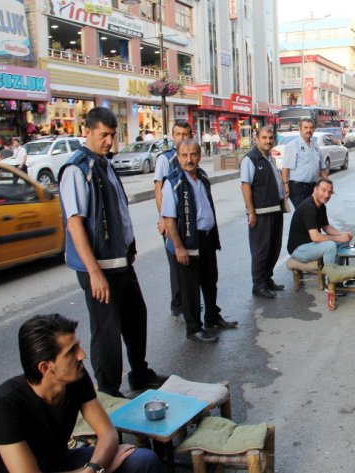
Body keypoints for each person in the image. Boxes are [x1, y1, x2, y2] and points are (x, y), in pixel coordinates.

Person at [58, 107, 165, 397]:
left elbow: (117, 212)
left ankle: (139, 374)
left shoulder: (104, 164)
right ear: (87, 132)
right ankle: (108, 392)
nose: (109, 141)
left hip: (120, 263)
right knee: (107, 331)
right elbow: (75, 224)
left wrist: (129, 250)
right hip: (99, 268)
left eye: (113, 135)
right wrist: (94, 273)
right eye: (103, 135)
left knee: (135, 317)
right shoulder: (77, 169)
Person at [0, 314, 163, 473]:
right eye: (71, 352)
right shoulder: (4, 406)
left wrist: (95, 467)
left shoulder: (76, 378)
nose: (82, 355)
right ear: (46, 367)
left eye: (78, 346)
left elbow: (108, 433)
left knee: (143, 461)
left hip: (60, 463)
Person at [162, 139, 237, 343]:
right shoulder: (173, 182)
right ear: (178, 157)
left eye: (193, 154)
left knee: (210, 281)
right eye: (184, 155)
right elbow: (169, 219)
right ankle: (194, 328)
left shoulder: (202, 177)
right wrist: (178, 247)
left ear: (200, 155)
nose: (189, 159)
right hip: (188, 242)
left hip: (207, 239)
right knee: (190, 288)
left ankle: (212, 317)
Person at [153, 120, 194, 323]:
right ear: (172, 136)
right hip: (171, 219)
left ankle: (190, 301)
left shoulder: (191, 155)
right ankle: (178, 305)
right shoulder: (166, 159)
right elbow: (158, 189)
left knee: (189, 264)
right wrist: (162, 217)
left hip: (188, 218)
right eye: (178, 134)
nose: (182, 138)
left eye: (186, 134)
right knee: (176, 264)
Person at [240, 126, 286, 299]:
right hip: (261, 213)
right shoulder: (250, 159)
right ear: (256, 139)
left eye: (270, 138)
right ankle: (258, 285)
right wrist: (251, 212)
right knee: (261, 250)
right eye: (264, 138)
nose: (268, 141)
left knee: (274, 248)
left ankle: (267, 280)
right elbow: (245, 186)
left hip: (275, 211)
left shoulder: (269, 158)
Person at [286, 177, 352, 267]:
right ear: (315, 189)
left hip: (312, 245)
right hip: (299, 249)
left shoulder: (321, 206)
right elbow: (315, 237)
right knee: (330, 246)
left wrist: (342, 234)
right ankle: (331, 276)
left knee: (344, 241)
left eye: (329, 192)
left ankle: (337, 270)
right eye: (323, 190)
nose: (326, 195)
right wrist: (339, 238)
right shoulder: (308, 207)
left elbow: (326, 227)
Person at [281, 118, 328, 209]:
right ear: (300, 129)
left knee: (316, 211)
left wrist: (328, 184)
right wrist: (285, 185)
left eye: (311, 128)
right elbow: (285, 167)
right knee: (304, 213)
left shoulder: (315, 146)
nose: (308, 130)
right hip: (298, 187)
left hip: (313, 187)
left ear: (314, 130)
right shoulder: (293, 145)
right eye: (305, 127)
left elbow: (322, 169)